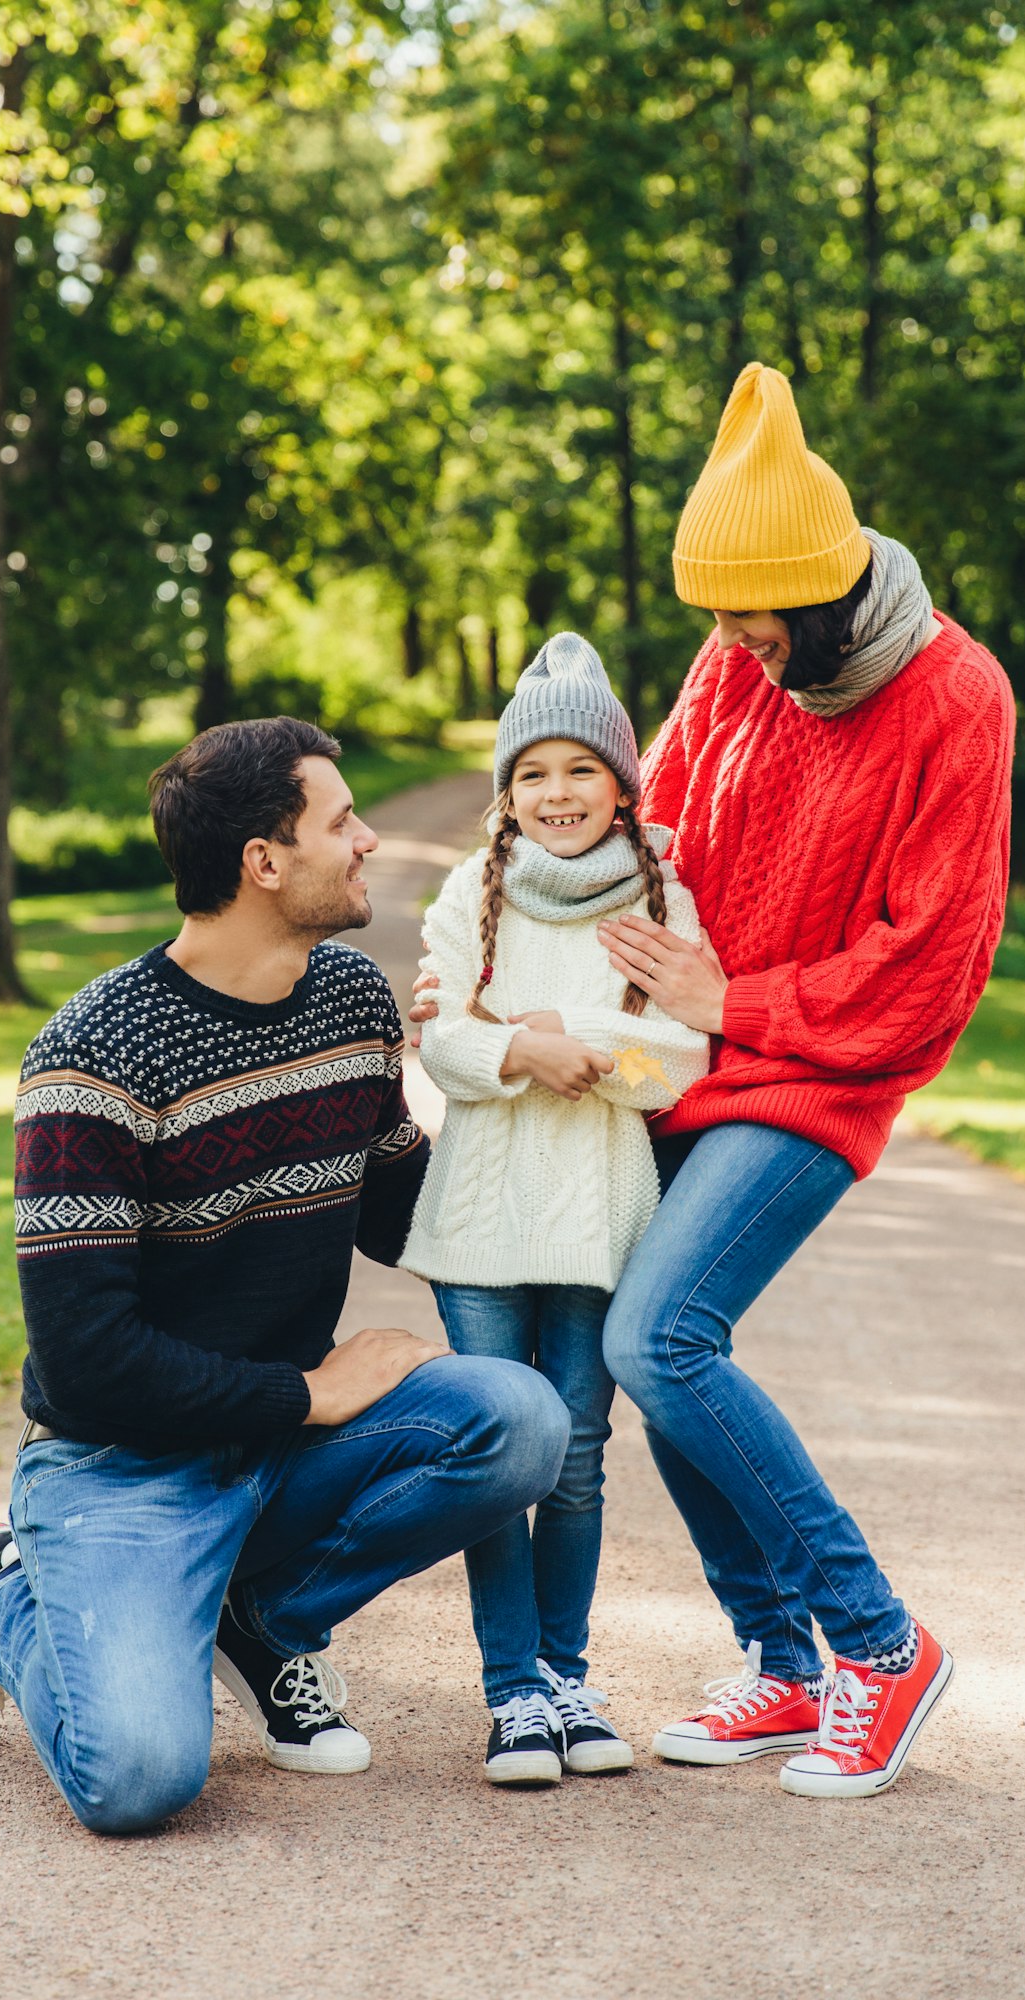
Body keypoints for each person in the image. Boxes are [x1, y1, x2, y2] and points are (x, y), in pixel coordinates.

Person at [415, 363, 1014, 1799]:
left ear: (826, 586)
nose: (735, 643)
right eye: (721, 619)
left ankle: (876, 1642)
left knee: (656, 1340)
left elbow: (934, 959)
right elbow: (642, 840)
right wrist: (485, 981)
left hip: (813, 1078)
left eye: (755, 615)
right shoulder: (741, 663)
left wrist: (738, 998)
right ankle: (785, 1663)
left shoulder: (956, 695)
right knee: (652, 1345)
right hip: (671, 1068)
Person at [0, 716, 570, 1835]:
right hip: (122, 1464)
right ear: (263, 861)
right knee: (141, 1778)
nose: (368, 839)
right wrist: (311, 1392)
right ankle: (8, 1601)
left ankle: (253, 1612)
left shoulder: (351, 1001)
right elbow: (89, 1359)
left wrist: (514, 1077)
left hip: (276, 1452)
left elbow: (411, 1212)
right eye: (340, 819)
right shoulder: (91, 1053)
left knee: (519, 1422)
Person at [400, 634, 710, 1786]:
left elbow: (680, 1054)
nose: (557, 794)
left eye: (581, 770)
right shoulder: (466, 889)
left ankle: (565, 1673)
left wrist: (584, 1054)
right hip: (481, 1215)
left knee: (575, 1452)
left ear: (622, 784)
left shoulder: (664, 890)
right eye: (534, 774)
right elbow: (440, 1038)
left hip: (597, 1213)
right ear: (506, 789)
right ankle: (510, 1692)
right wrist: (522, 1047)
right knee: (501, 1453)